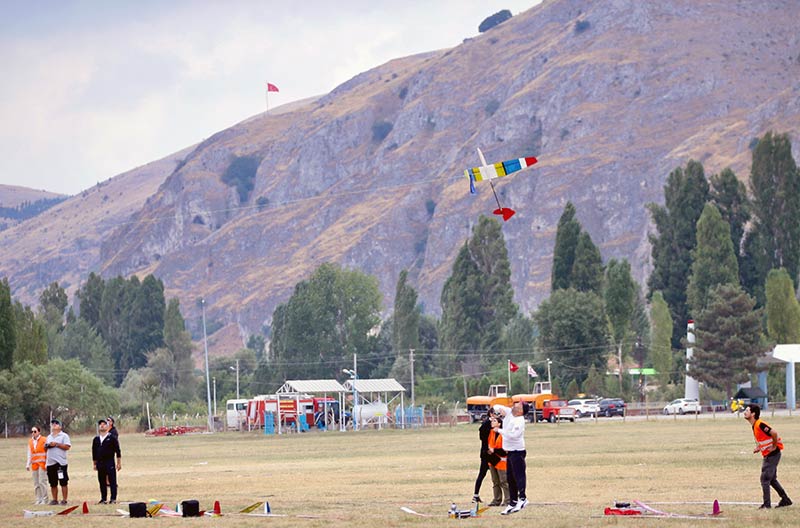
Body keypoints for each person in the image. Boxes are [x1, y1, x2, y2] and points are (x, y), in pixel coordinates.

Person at [744, 404, 792, 509]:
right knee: (771, 479)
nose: (744, 412)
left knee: (765, 479)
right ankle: (785, 499)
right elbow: (763, 438)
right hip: (769, 453)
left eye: (747, 410)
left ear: (753, 414)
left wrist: (774, 446)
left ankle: (767, 505)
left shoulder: (760, 424)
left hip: (773, 454)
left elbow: (774, 433)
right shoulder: (754, 425)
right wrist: (759, 447)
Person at [492, 401, 529, 515]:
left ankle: (522, 499)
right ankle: (512, 502)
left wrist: (499, 430)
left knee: (519, 476)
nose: (515, 405)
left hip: (517, 451)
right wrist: (498, 410)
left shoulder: (519, 421)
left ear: (521, 411)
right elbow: (496, 406)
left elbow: (514, 435)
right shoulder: (509, 413)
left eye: (518, 405)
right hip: (510, 452)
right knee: (510, 479)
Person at [92, 418, 122, 504]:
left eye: (104, 424)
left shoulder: (111, 437)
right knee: (101, 481)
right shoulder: (96, 439)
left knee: (112, 481)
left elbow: (118, 451)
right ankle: (103, 498)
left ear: (108, 426)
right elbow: (94, 452)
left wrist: (119, 463)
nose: (102, 425)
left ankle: (113, 498)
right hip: (100, 463)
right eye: (100, 424)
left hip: (109, 462)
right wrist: (94, 464)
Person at [44, 419, 71, 505]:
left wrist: (56, 444)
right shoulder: (49, 437)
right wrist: (48, 445)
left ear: (60, 426)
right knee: (53, 482)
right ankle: (54, 499)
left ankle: (64, 500)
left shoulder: (64, 436)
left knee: (63, 481)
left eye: (56, 424)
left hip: (60, 463)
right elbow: (45, 448)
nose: (54, 425)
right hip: (50, 463)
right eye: (53, 424)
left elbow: (67, 447)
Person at [487, 412, 509, 507]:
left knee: (504, 481)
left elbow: (505, 450)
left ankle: (508, 500)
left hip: (501, 461)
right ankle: (497, 500)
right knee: (495, 481)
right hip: (492, 460)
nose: (492, 422)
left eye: (495, 421)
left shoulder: (503, 434)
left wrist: (494, 450)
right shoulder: (491, 432)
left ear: (499, 424)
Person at [472, 412, 493, 503]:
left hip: (495, 453)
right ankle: (475, 495)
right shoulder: (486, 425)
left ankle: (504, 497)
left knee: (500, 477)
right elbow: (483, 436)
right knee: (482, 474)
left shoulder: (497, 423)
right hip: (487, 454)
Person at [26, 425, 49, 504]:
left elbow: (48, 452)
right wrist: (27, 464)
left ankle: (45, 499)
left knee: (42, 481)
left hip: (42, 464)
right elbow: (29, 453)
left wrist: (47, 463)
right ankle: (38, 499)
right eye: (32, 432)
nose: (33, 433)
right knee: (36, 483)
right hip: (34, 464)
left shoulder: (44, 440)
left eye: (35, 431)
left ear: (39, 432)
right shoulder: (30, 441)